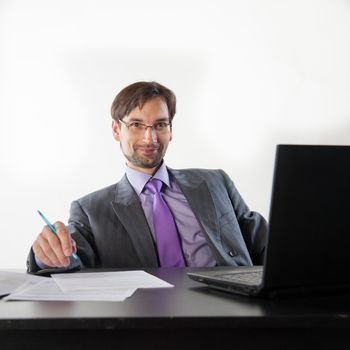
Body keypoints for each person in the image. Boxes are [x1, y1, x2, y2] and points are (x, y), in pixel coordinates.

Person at [27, 81, 267, 274]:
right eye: (136, 125)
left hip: (233, 310)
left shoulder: (215, 182)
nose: (149, 138)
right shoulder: (91, 209)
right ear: (115, 130)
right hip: (148, 320)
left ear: (170, 131)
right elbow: (72, 258)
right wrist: (49, 254)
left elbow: (264, 243)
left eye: (160, 125)